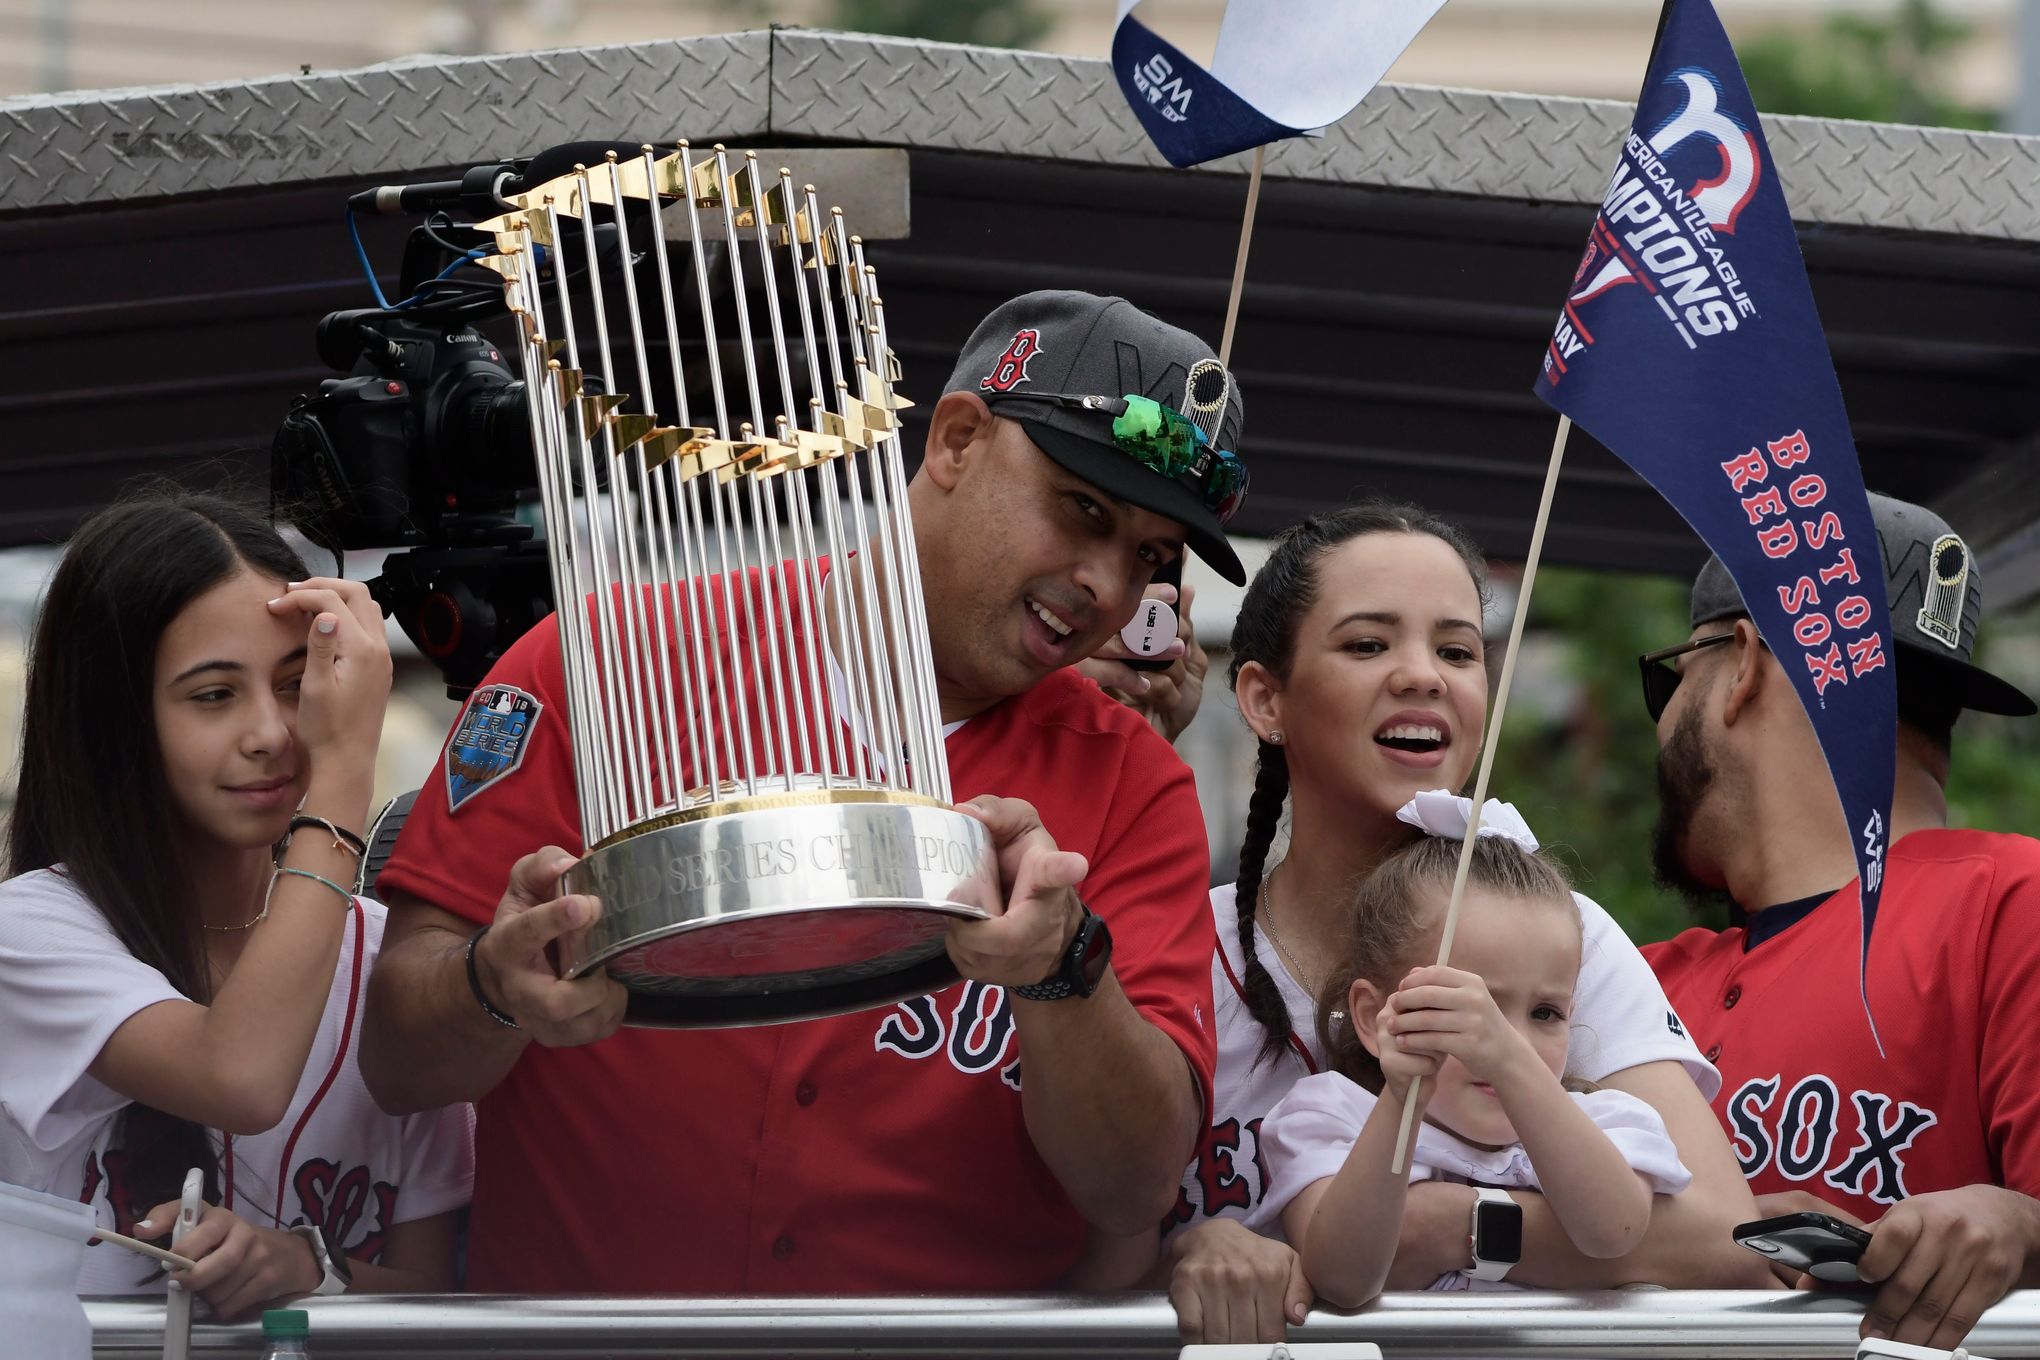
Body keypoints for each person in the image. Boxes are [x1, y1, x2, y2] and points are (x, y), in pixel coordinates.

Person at [358, 291, 1250, 1292]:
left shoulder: (1136, 788)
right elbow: (399, 1062)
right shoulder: (601, 662)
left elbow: (1133, 1186)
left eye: (1150, 558)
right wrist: (490, 985)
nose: (1105, 585)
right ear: (956, 439)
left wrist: (1062, 970)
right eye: (1082, 509)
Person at [1084, 503, 1769, 1344]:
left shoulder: (1561, 928)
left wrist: (1453, 1226)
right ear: (1264, 698)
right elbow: (1081, 1257)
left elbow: (1724, 1243)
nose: (1425, 676)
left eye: (1457, 650)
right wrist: (1196, 1252)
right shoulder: (1174, 937)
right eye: (1368, 645)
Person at [0, 492, 470, 1320]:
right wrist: (346, 770)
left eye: (297, 685)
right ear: (115, 723)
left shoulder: (391, 959)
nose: (272, 732)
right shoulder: (29, 930)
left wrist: (309, 1270)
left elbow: (435, 1295)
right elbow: (242, 1077)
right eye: (213, 695)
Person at [1641, 491, 2040, 1352]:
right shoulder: (1623, 975)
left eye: (1666, 681)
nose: (1664, 719)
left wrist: (2023, 1227)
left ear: (1740, 662)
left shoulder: (2015, 903)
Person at [1252, 813, 1691, 1307]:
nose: (1507, 1040)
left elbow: (1614, 1231)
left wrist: (1510, 1063)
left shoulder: (1604, 1122)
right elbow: (1343, 1278)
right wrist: (1403, 1101)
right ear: (1376, 1017)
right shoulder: (1330, 1118)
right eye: (1469, 1008)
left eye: (1545, 1012)